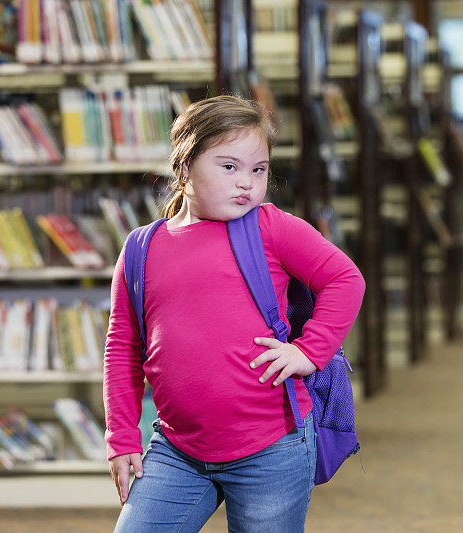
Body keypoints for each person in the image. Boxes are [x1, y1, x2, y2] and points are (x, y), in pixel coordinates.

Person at [104, 94, 365, 532]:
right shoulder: (141, 248)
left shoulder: (271, 226)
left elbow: (345, 279)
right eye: (229, 167)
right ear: (184, 167)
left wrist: (308, 351)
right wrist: (121, 436)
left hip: (272, 446)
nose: (246, 182)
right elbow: (123, 347)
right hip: (176, 448)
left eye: (258, 169)